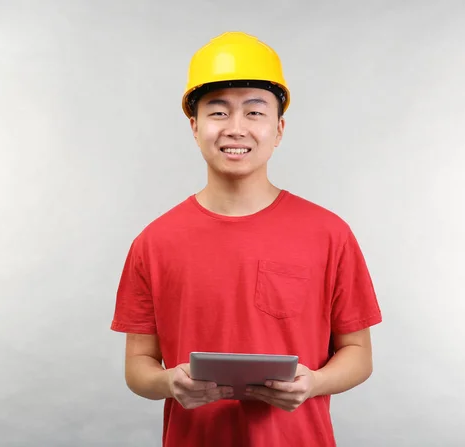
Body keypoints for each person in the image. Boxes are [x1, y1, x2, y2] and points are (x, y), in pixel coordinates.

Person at [110, 31, 382, 447]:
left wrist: (315, 381)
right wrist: (169, 383)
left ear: (279, 128)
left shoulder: (329, 233)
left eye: (254, 113)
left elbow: (359, 355)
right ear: (194, 125)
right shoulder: (154, 241)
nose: (236, 129)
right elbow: (138, 368)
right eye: (218, 113)